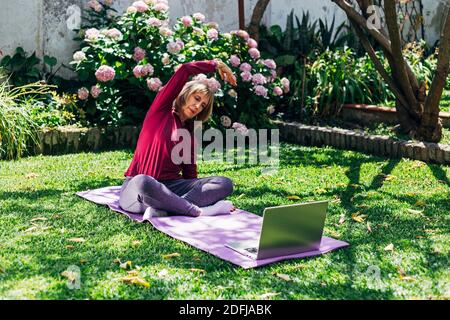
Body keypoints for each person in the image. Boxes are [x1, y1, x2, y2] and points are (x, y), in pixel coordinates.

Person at [119, 59, 238, 218]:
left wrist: (199, 191)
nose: (197, 106)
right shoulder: (161, 110)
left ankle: (168, 209)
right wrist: (215, 65)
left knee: (225, 183)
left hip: (172, 188)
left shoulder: (190, 131)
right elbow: (185, 69)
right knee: (143, 181)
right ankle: (197, 211)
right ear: (186, 94)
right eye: (196, 99)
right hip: (139, 191)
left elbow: (190, 172)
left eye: (202, 105)